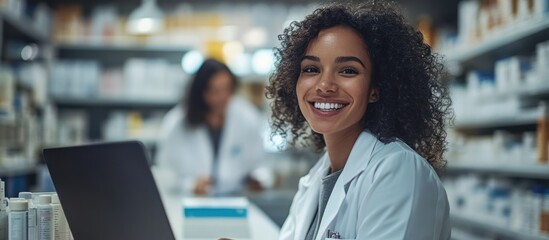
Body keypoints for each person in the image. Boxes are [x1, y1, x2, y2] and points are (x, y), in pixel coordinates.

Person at [265, 1, 452, 239]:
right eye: (311, 69)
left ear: (376, 88)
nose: (324, 85)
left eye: (348, 71)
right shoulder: (317, 177)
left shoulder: (399, 171)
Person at [156, 58, 272, 196]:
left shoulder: (247, 117)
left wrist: (259, 179)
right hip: (192, 201)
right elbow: (164, 174)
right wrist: (190, 185)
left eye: (227, 89)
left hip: (236, 200)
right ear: (201, 92)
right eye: (214, 91)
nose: (222, 97)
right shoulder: (177, 122)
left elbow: (261, 165)